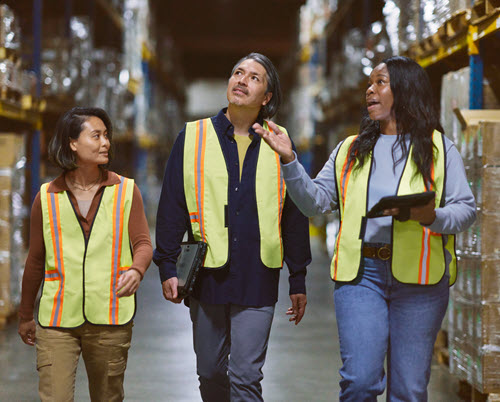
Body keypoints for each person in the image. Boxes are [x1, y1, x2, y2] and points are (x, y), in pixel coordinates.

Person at [254, 56, 476, 401]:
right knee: (359, 382)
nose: (370, 90)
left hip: (420, 282)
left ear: (405, 90)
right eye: (369, 84)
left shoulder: (439, 150)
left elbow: (466, 210)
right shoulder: (350, 150)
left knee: (410, 389)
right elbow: (314, 202)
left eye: (380, 83)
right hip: (361, 276)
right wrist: (289, 161)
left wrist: (431, 217)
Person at [154, 52, 311, 401]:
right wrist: (167, 265)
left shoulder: (279, 140)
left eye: (254, 77)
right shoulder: (192, 137)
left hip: (258, 275)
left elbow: (294, 212)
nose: (242, 80)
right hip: (208, 276)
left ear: (267, 97)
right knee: (209, 371)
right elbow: (172, 206)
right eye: (238, 73)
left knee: (246, 377)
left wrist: (298, 275)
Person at [18, 107, 153, 402]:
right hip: (56, 319)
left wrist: (137, 270)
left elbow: (143, 243)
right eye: (96, 135)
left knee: (108, 397)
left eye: (107, 136)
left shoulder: (126, 191)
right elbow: (36, 259)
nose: (105, 142)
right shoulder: (47, 197)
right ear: (72, 143)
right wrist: (26, 313)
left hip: (110, 317)